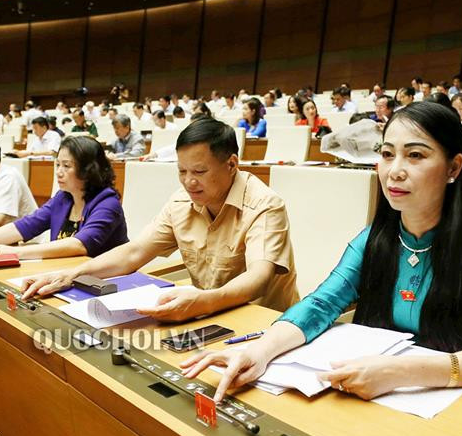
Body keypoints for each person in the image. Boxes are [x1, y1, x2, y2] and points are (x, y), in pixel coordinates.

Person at [182, 102, 462, 402]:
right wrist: (259, 351)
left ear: (453, 168)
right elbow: (322, 303)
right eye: (386, 154)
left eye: (415, 155)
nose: (394, 171)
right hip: (373, 396)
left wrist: (401, 372)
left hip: (457, 401)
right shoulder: (376, 238)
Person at [21, 118, 299, 320]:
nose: (189, 182)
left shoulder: (264, 205)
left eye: (199, 172)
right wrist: (71, 275)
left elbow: (258, 278)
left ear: (232, 164)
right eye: (182, 171)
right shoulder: (182, 202)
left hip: (264, 324)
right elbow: (135, 252)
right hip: (203, 315)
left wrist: (203, 302)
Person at [0, 137, 128, 260]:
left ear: (88, 170)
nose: (58, 172)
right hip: (64, 272)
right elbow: (23, 226)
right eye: (57, 165)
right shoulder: (63, 199)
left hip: (104, 282)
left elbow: (79, 244)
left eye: (66, 166)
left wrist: (17, 252)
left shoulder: (107, 203)